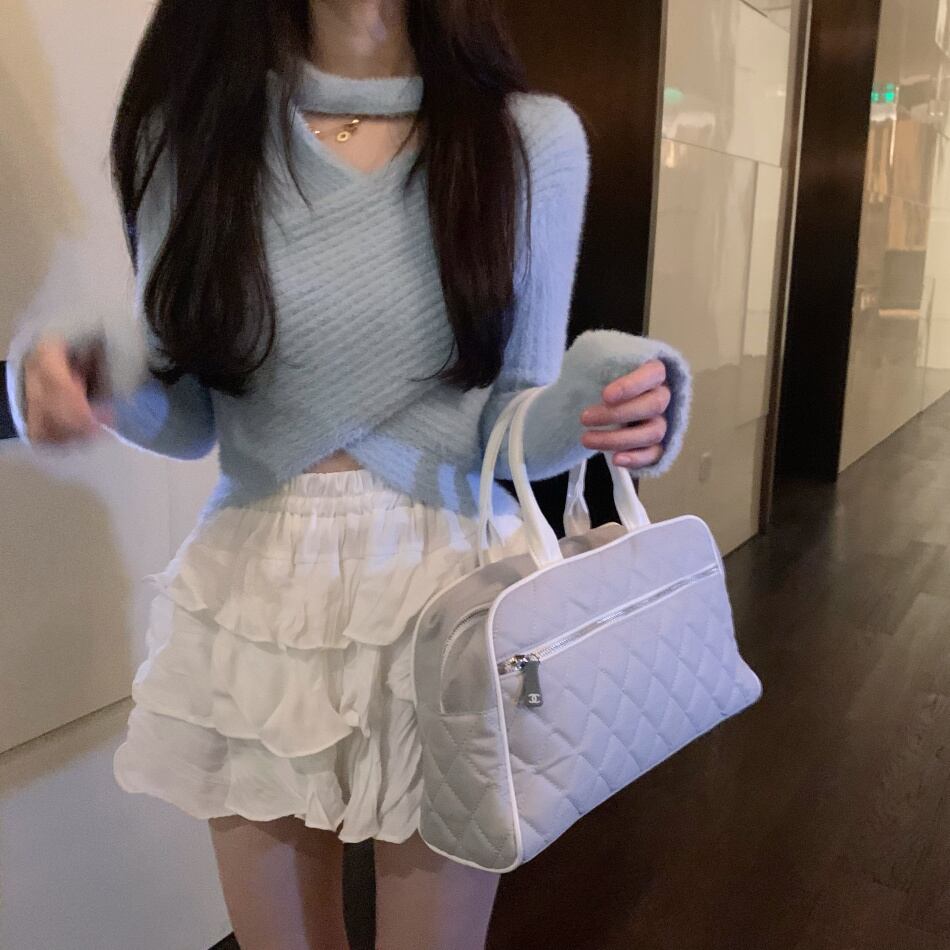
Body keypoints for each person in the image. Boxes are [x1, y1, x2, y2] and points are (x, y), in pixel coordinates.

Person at [5, 1, 693, 947]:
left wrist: (596, 405)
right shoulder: (193, 136)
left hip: (450, 594)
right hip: (258, 600)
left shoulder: (529, 140)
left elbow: (509, 423)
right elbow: (195, 413)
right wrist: (96, 383)